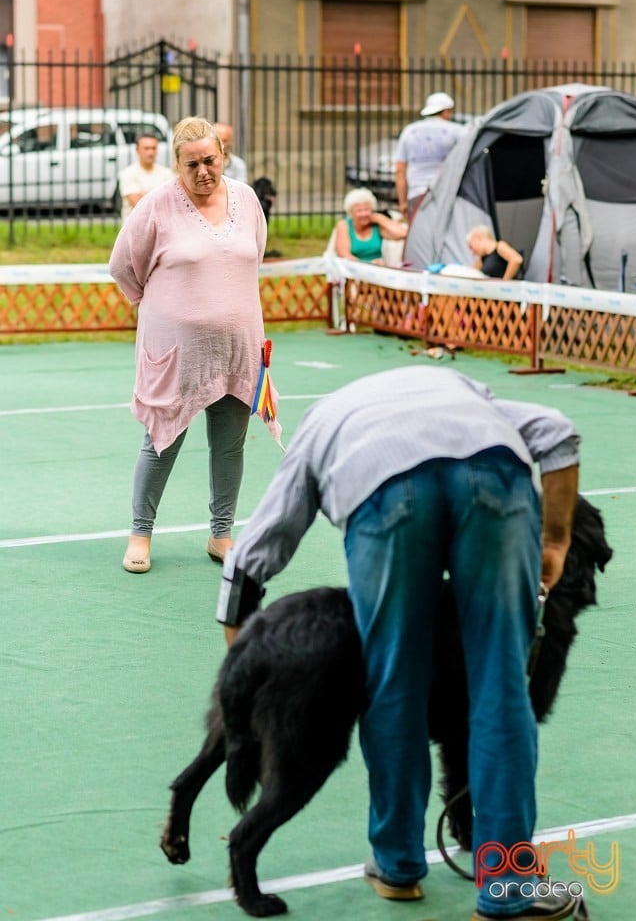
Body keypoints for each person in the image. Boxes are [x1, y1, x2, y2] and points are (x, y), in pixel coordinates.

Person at [217, 365, 583, 921]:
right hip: (497, 482)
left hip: (384, 496)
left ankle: (397, 867)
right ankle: (509, 885)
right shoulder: (468, 393)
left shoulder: (322, 423)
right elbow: (558, 433)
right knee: (502, 689)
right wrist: (555, 539)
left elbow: (250, 560)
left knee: (394, 685)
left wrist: (239, 656)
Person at [109, 116, 267, 574]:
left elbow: (252, 255)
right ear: (176, 164)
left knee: (230, 446)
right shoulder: (157, 205)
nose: (203, 171)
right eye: (192, 164)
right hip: (177, 353)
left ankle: (222, 535)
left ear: (223, 156)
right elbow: (123, 266)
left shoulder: (247, 199)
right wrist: (162, 307)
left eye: (211, 161)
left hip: (238, 348)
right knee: (162, 442)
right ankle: (140, 534)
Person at [394, 91, 466, 219]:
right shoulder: (458, 131)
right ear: (446, 111)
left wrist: (403, 202)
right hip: (447, 193)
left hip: (416, 194)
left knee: (419, 235)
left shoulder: (409, 131)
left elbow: (400, 170)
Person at [333, 187, 408, 264]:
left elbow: (403, 234)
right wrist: (370, 264)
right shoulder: (344, 225)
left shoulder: (376, 226)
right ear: (351, 213)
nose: (364, 214)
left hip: (377, 270)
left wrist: (380, 218)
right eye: (359, 211)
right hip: (352, 271)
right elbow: (344, 255)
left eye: (367, 209)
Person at [117, 132, 173, 221]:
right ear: (137, 150)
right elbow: (139, 205)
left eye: (153, 148)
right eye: (146, 148)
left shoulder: (167, 173)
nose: (150, 152)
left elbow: (173, 201)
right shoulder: (128, 174)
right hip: (135, 228)